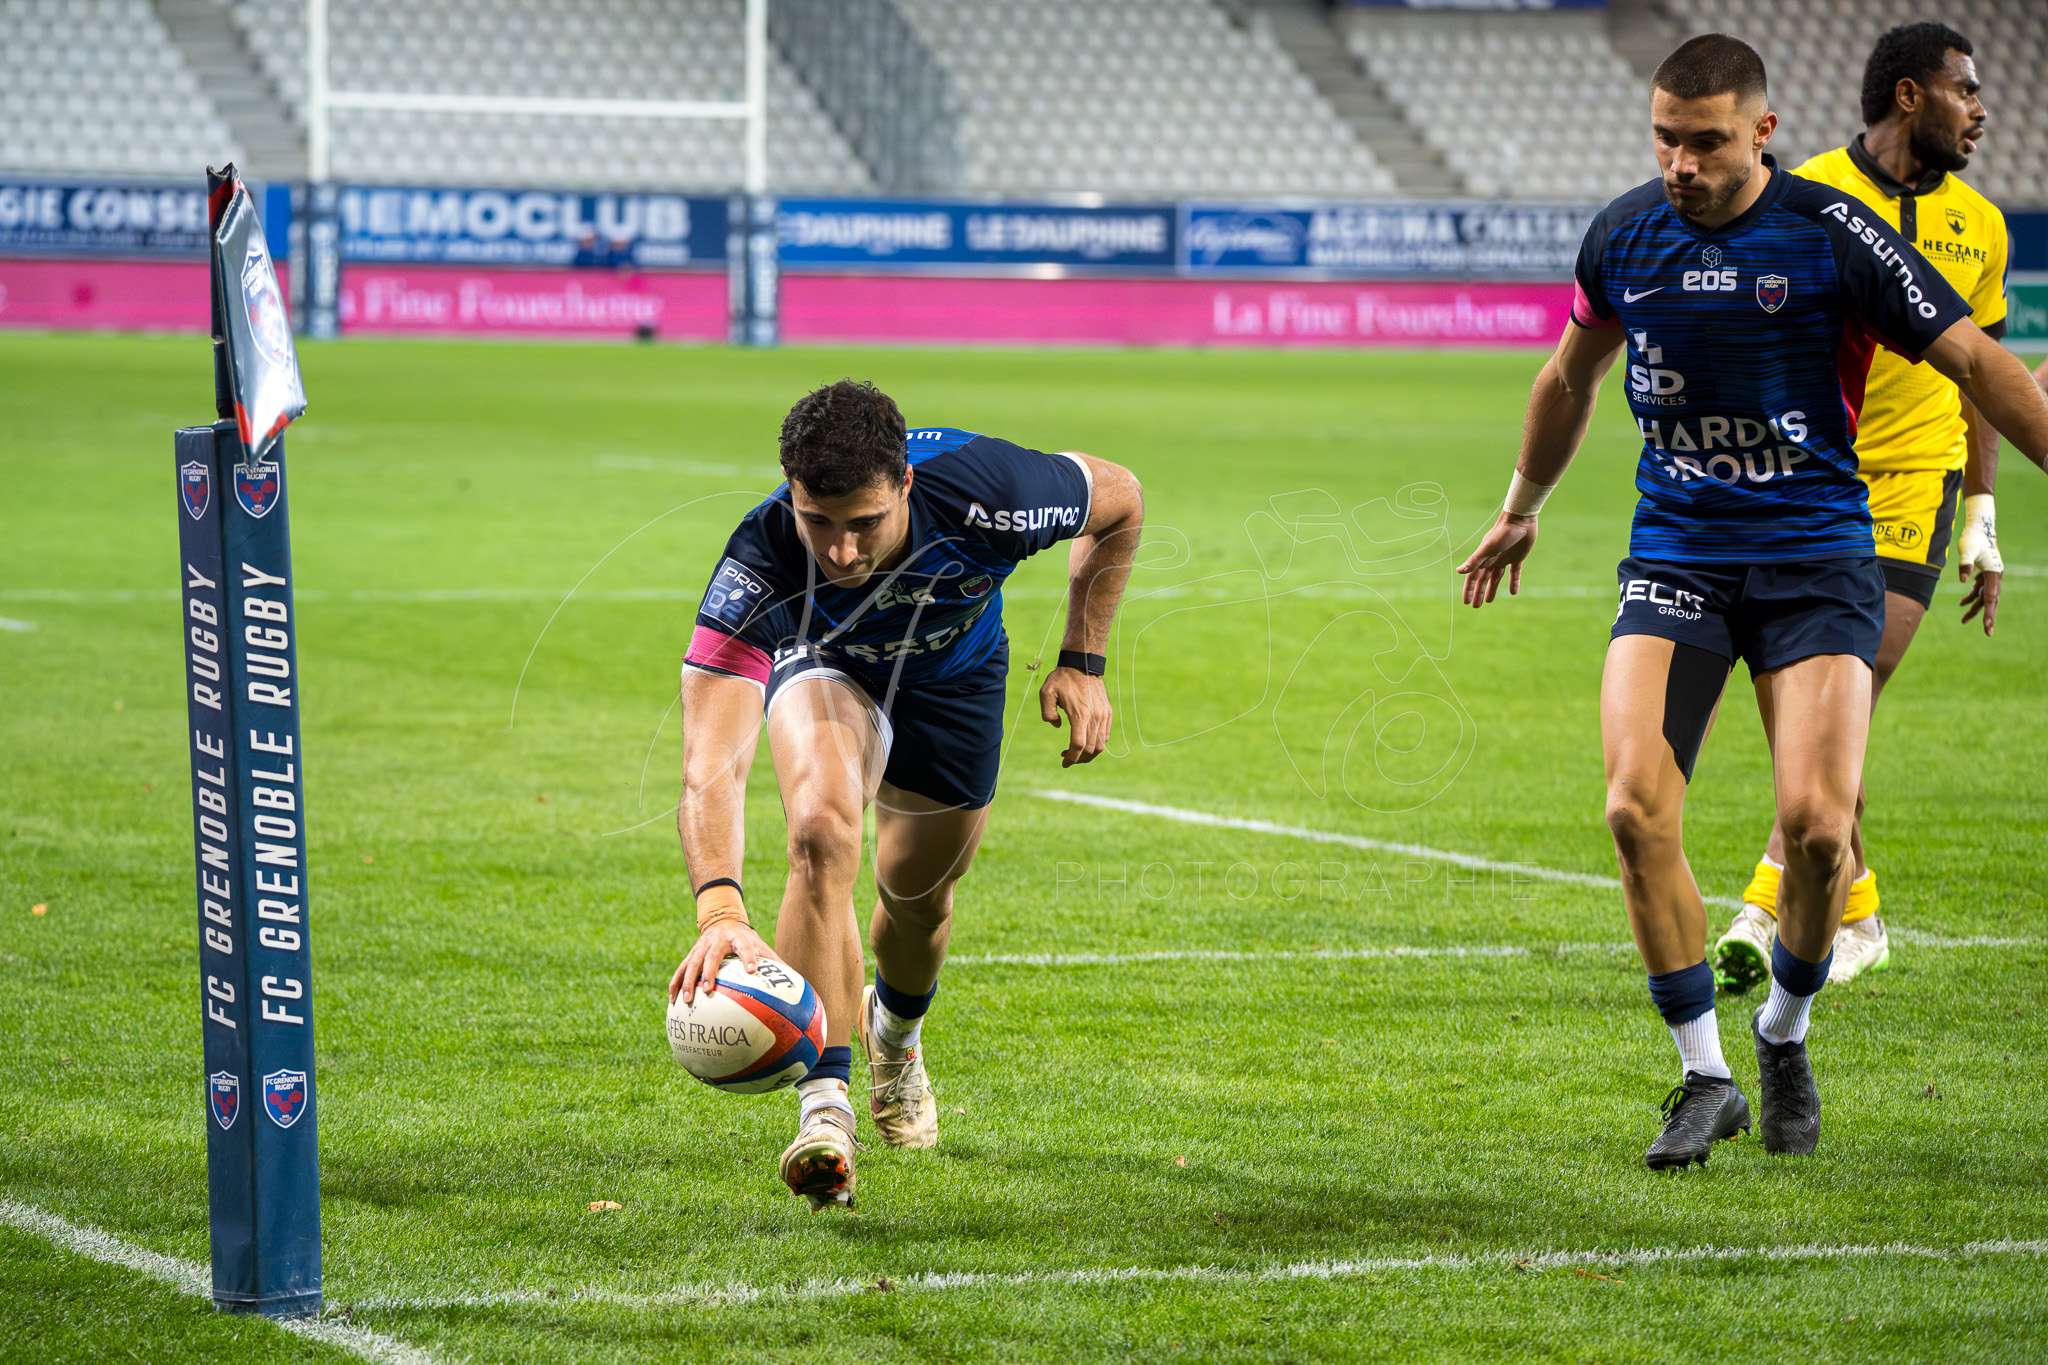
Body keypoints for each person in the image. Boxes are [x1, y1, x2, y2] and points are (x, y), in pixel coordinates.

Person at [1455, 34, 2048, 1170]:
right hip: (1678, 553)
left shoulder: (1832, 235)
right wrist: (1521, 505)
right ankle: (1704, 1075)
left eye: (1706, 142)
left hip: (1814, 558)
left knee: (1819, 831)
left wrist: (1997, 494)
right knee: (1633, 811)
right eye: (1664, 141)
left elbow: (1976, 362)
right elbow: (1568, 376)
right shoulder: (1623, 233)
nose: (1679, 164)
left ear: (1762, 132)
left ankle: (1782, 1033)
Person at [666, 380, 1143, 1209]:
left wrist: (1083, 658)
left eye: (865, 523)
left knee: (917, 903)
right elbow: (711, 761)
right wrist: (719, 910)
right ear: (792, 489)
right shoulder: (760, 563)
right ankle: (825, 1112)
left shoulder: (991, 492)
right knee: (819, 834)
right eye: (819, 521)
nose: (841, 550)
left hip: (955, 680)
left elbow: (1123, 501)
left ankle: (895, 1034)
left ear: (906, 486)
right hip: (830, 667)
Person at [1714, 20, 2009, 994]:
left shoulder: (1982, 224)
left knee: (1849, 689)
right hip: (1805, 485)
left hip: (1913, 483)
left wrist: (1980, 512)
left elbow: (1980, 376)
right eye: (1964, 90)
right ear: (1909, 95)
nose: (1980, 109)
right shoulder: (1804, 196)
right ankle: (1860, 910)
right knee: (1813, 726)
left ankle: (1762, 907)